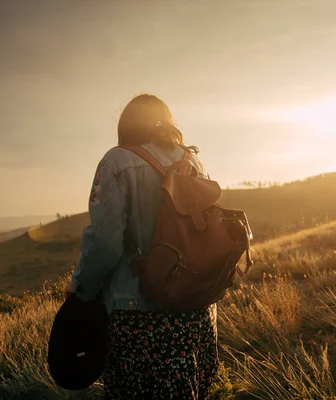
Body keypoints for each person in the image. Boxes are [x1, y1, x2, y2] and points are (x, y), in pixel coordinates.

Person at [65, 94, 219, 399]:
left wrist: (81, 289)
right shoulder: (194, 161)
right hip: (197, 304)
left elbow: (104, 242)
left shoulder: (117, 161)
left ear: (127, 125)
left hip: (140, 313)